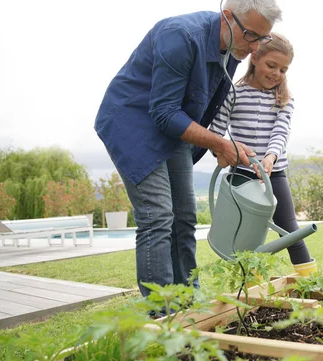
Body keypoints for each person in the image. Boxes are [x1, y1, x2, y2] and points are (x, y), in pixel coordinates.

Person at [94, 0, 283, 298]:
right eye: (252, 36)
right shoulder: (180, 36)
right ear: (226, 18)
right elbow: (164, 113)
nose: (257, 48)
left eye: (263, 38)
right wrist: (220, 143)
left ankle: (188, 300)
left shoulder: (235, 47)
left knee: (184, 216)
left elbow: (207, 105)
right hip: (132, 122)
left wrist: (221, 145)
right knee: (157, 216)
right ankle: (161, 312)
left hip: (175, 125)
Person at [209, 33, 317, 277]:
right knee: (245, 235)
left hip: (273, 174)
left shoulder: (284, 99)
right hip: (241, 177)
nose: (276, 73)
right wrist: (219, 149)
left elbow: (281, 132)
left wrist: (270, 158)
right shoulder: (233, 93)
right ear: (255, 57)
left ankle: (311, 283)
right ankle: (251, 289)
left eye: (283, 69)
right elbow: (216, 130)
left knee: (289, 230)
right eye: (271, 65)